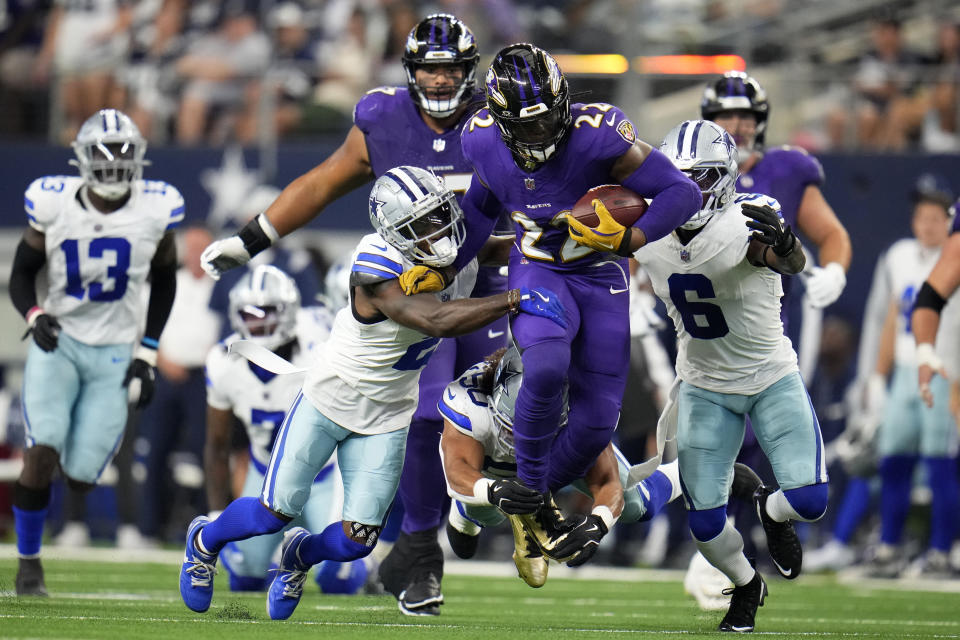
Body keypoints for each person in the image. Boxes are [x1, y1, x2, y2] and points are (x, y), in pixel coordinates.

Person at [198, 14, 508, 614]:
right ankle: (421, 551)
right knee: (426, 416)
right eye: (429, 68)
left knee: (526, 398)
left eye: (450, 69)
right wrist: (252, 237)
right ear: (411, 71)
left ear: (469, 73)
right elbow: (322, 182)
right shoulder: (382, 119)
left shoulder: (496, 120)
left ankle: (482, 515)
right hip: (422, 295)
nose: (440, 81)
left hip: (492, 274)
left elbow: (541, 190)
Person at [179, 166, 565, 620]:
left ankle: (300, 556)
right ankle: (203, 541)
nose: (438, 230)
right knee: (272, 513)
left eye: (440, 213)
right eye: (421, 225)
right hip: (331, 399)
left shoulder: (453, 245)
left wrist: (547, 237)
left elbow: (494, 247)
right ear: (394, 232)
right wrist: (514, 299)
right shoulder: (375, 262)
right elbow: (434, 320)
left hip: (388, 413)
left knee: (354, 542)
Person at [408, 43, 700, 549]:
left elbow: (682, 192)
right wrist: (450, 266)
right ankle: (527, 490)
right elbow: (479, 210)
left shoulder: (598, 135)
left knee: (595, 422)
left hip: (601, 277)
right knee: (543, 369)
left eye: (547, 121)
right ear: (501, 121)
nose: (540, 134)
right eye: (525, 126)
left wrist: (632, 238)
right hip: (539, 271)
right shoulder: (482, 142)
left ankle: (531, 494)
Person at [597, 119, 828, 632]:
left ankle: (772, 507)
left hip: (770, 376)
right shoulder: (646, 232)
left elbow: (787, 258)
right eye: (677, 178)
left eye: (699, 178)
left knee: (810, 501)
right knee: (704, 525)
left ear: (723, 178)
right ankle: (746, 587)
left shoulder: (748, 218)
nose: (687, 190)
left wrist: (788, 247)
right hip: (704, 385)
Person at [8, 108, 181, 595]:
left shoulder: (156, 208)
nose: (113, 165)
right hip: (58, 343)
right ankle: (29, 564)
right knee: (41, 452)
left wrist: (147, 352)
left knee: (82, 476)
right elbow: (21, 273)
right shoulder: (53, 204)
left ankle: (64, 489)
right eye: (104, 156)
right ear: (80, 160)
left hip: (112, 355)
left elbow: (165, 279)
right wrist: (35, 315)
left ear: (139, 158)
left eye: (123, 153)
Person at [438, 344, 685, 584]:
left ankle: (689, 470)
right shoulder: (470, 402)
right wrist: (490, 490)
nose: (523, 444)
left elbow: (606, 481)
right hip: (492, 466)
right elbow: (456, 470)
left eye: (534, 432)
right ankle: (464, 512)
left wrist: (598, 525)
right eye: (511, 430)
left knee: (635, 504)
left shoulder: (582, 409)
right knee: (479, 515)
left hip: (557, 455)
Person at [205, 264, 359, 592]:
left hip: (324, 476)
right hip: (265, 478)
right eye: (250, 313)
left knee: (341, 576)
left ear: (288, 311)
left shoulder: (321, 343)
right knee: (244, 577)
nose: (258, 322)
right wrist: (218, 512)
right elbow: (217, 445)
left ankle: (364, 565)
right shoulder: (223, 362)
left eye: (267, 312)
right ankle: (275, 554)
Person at [700, 71, 852, 313]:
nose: (737, 127)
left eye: (746, 117)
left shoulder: (786, 169)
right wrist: (636, 291)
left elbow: (832, 234)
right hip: (706, 324)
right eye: (726, 116)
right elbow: (649, 232)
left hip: (770, 332)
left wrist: (834, 272)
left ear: (759, 123)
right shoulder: (691, 175)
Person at [868, 184, 957, 577]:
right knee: (893, 463)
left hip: (946, 368)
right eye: (922, 218)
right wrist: (877, 376)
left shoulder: (953, 255)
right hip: (906, 368)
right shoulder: (901, 257)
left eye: (937, 219)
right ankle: (889, 547)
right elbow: (892, 318)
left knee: (941, 466)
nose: (928, 226)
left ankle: (942, 551)